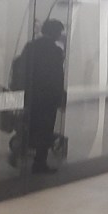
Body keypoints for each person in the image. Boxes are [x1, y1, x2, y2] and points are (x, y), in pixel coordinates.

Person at [18, 18, 66, 174]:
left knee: (30, 125)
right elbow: (57, 77)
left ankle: (21, 151)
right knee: (45, 129)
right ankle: (39, 162)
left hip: (31, 95)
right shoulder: (56, 51)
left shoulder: (30, 46)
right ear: (55, 33)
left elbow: (22, 69)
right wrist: (60, 98)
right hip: (48, 97)